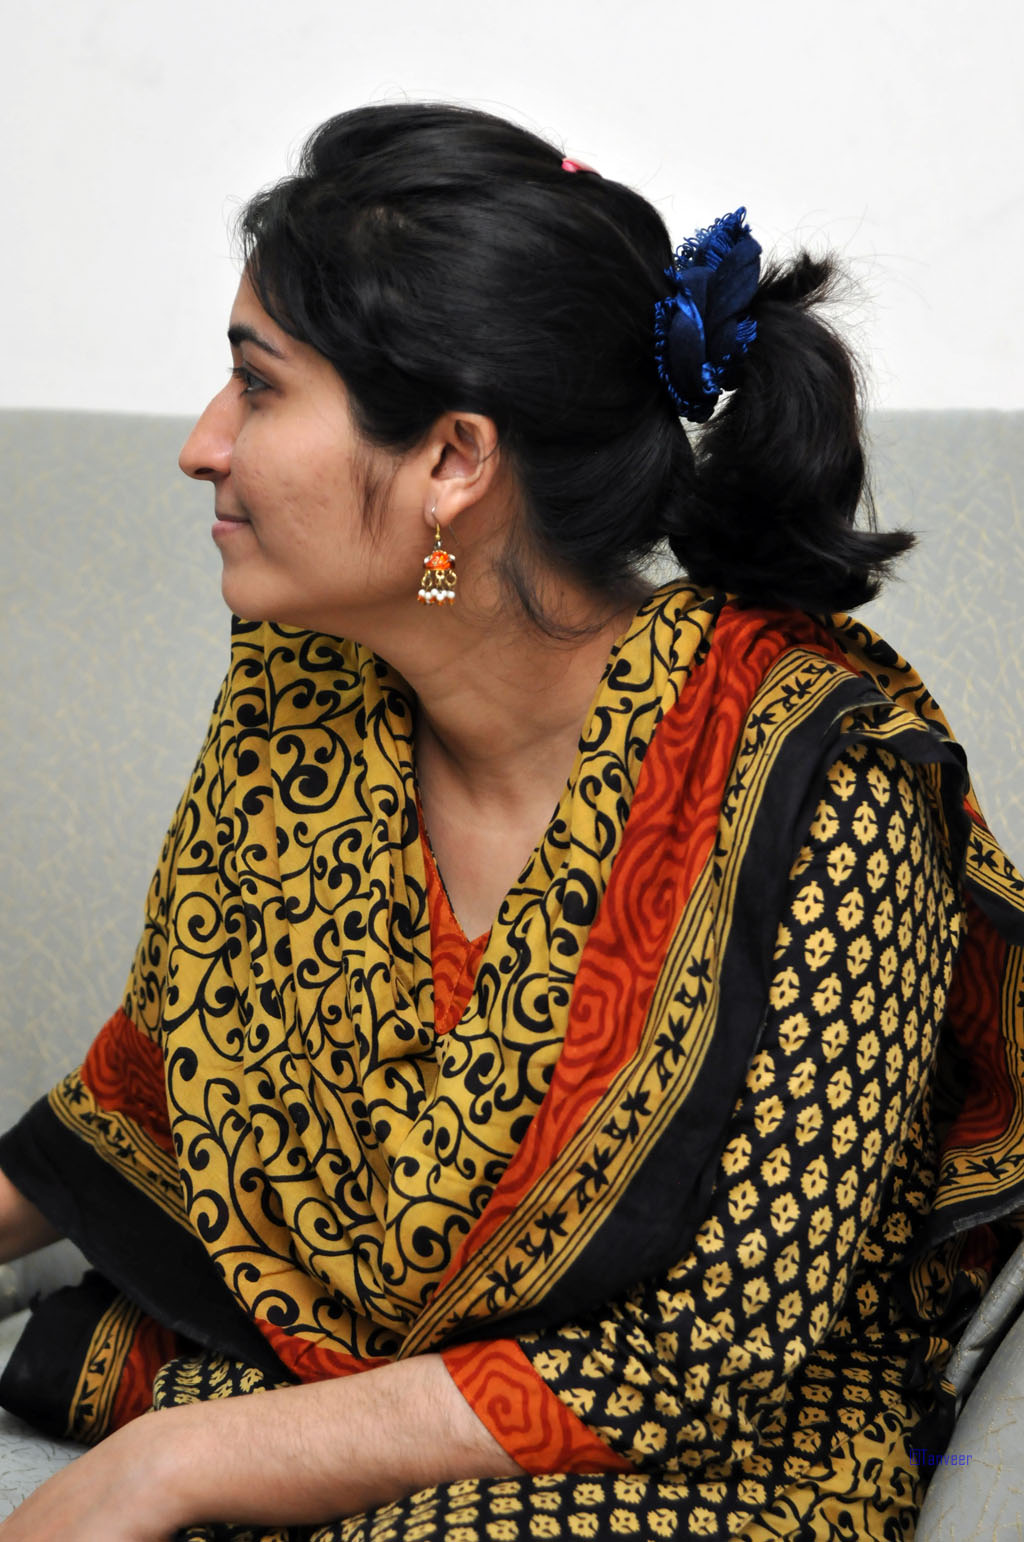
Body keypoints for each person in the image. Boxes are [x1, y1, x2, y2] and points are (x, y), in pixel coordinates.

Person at [0, 101, 1022, 1542]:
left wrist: (165, 1465)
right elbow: (176, 1069)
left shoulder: (823, 781)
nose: (201, 445)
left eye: (257, 386)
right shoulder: (305, 702)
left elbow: (708, 1349)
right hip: (355, 1377)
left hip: (710, 1444)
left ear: (453, 462)